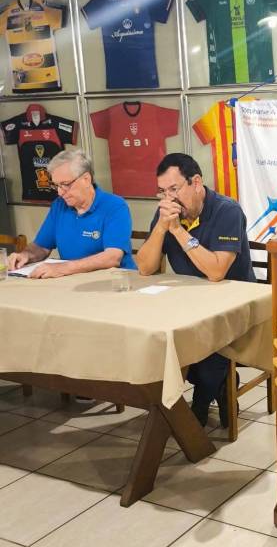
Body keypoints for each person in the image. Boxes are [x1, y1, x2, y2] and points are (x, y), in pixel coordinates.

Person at [136, 152, 255, 429]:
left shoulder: (227, 210)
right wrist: (161, 229)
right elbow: (144, 267)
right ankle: (220, 388)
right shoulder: (167, 213)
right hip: (189, 302)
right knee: (162, 341)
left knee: (211, 352)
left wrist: (178, 232)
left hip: (233, 304)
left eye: (174, 189)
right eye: (163, 192)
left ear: (196, 182)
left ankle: (199, 404)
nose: (169, 198)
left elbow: (216, 272)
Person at [8, 149, 136, 277]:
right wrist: (26, 255)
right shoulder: (59, 205)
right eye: (56, 185)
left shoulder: (115, 206)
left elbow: (112, 257)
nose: (60, 192)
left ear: (86, 179)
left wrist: (63, 268)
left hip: (114, 281)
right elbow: (41, 247)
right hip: (72, 280)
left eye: (65, 184)